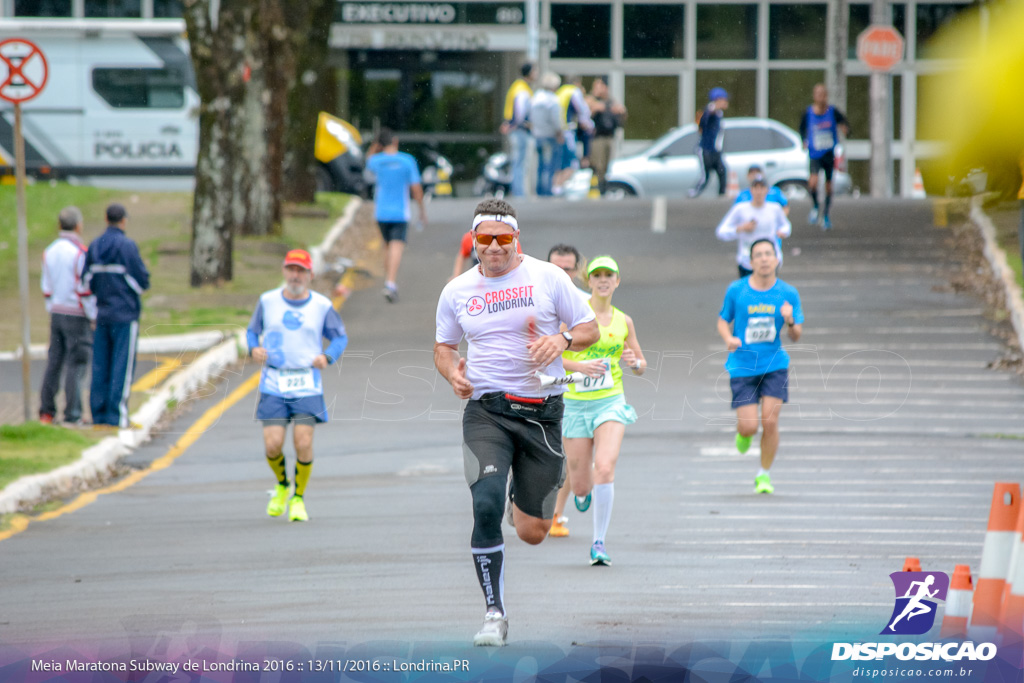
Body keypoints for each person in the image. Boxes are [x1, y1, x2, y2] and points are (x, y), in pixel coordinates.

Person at [434, 199, 599, 646]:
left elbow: (589, 328)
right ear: (474, 242)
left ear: (516, 239)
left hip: (543, 414)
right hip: (487, 410)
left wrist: (561, 338)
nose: (493, 247)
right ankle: (494, 612)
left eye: (502, 239)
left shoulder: (548, 276)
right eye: (484, 239)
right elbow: (444, 347)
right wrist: (453, 373)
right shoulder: (457, 291)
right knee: (484, 504)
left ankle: (522, 496)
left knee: (532, 532)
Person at [247, 249, 348, 522]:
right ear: (284, 271)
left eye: (301, 270)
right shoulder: (267, 301)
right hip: (273, 381)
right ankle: (282, 484)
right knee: (273, 445)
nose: (295, 275)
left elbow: (339, 338)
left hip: (306, 382)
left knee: (303, 443)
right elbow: (251, 331)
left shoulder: (321, 306)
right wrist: (253, 348)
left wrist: (327, 356)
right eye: (291, 269)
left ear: (310, 275)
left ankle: (298, 498)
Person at [561, 256, 646, 566]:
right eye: (597, 274)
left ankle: (599, 542)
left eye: (609, 274)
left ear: (617, 281)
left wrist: (636, 364)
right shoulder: (574, 318)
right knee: (581, 485)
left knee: (605, 467)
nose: (603, 279)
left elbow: (639, 362)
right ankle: (582, 496)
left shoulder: (625, 321)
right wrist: (580, 365)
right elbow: (552, 356)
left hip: (610, 400)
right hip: (575, 404)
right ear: (590, 281)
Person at [716, 238, 803, 495]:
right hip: (742, 365)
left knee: (771, 420)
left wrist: (789, 321)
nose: (764, 259)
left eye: (768, 254)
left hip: (774, 364)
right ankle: (743, 434)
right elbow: (722, 320)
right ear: (750, 261)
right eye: (759, 255)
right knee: (750, 426)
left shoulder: (788, 293)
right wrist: (729, 338)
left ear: (777, 259)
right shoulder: (737, 290)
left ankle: (763, 475)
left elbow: (796, 335)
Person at [83, 203, 150, 430]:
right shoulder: (127, 246)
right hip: (124, 315)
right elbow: (141, 281)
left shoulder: (94, 246)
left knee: (100, 364)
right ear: (123, 221)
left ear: (105, 218)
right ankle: (117, 417)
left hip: (102, 314)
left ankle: (98, 414)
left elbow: (86, 281)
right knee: (121, 365)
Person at [545, 243, 588, 537]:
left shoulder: (588, 303)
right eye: (555, 267)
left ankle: (556, 515)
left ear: (578, 270)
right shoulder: (534, 299)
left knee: (570, 459)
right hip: (545, 387)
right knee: (543, 455)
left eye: (567, 269)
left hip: (584, 391)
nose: (561, 273)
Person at [39, 206, 95, 425]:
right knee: (77, 362)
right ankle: (73, 413)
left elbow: (46, 286)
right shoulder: (80, 253)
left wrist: (52, 306)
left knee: (54, 360)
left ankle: (46, 410)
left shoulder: (49, 251)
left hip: (56, 311)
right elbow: (84, 289)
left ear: (59, 225)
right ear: (79, 225)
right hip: (76, 313)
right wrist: (92, 315)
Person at [365, 128, 427, 303]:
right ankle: (390, 283)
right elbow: (416, 188)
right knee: (397, 246)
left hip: (381, 212)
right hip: (400, 212)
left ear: (379, 144)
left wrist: (374, 146)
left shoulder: (376, 161)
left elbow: (367, 162)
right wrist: (422, 210)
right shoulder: (407, 161)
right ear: (395, 141)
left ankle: (388, 280)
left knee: (387, 246)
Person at [715, 174, 792, 278]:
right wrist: (740, 228)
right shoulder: (740, 209)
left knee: (768, 290)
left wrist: (783, 232)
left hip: (770, 259)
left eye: (762, 188)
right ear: (751, 190)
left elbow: (786, 226)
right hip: (747, 260)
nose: (759, 191)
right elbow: (721, 231)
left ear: (767, 190)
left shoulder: (775, 208)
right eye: (756, 188)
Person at [799, 83, 850, 230]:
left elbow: (845, 124)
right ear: (814, 96)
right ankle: (815, 206)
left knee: (828, 186)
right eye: (817, 94)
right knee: (813, 182)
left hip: (828, 154)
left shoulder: (833, 112)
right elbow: (802, 128)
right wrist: (804, 140)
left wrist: (845, 129)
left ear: (826, 96)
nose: (820, 97)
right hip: (815, 154)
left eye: (823, 94)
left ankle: (826, 215)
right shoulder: (808, 112)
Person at [586, 77, 627, 195]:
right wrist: (607, 107)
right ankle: (595, 189)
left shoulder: (610, 100)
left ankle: (603, 188)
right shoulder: (592, 99)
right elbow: (593, 107)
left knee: (606, 166)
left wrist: (620, 111)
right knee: (597, 165)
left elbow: (621, 111)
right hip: (597, 137)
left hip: (609, 136)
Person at [554, 75, 593, 194]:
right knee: (571, 162)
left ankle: (556, 186)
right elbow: (582, 111)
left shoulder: (560, 91)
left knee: (560, 162)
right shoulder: (574, 91)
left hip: (558, 132)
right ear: (577, 83)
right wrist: (589, 126)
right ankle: (559, 188)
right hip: (568, 131)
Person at [501, 63, 536, 197]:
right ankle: (519, 193)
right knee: (520, 162)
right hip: (520, 130)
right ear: (530, 72)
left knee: (518, 161)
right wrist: (518, 123)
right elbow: (520, 109)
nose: (536, 73)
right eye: (535, 71)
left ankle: (518, 191)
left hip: (516, 129)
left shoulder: (517, 86)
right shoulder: (522, 88)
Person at [690, 87, 729, 197]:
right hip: (706, 149)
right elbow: (702, 122)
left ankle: (722, 196)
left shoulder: (719, 113)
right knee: (705, 176)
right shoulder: (709, 111)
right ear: (718, 100)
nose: (726, 102)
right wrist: (712, 109)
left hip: (715, 151)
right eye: (724, 99)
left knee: (722, 172)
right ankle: (693, 194)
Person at [529, 72, 564, 197]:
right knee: (549, 165)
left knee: (540, 165)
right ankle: (547, 191)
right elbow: (556, 120)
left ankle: (539, 190)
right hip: (549, 136)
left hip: (537, 135)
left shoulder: (536, 97)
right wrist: (559, 132)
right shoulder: (552, 100)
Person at [452, 229, 522, 281]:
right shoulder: (468, 239)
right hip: (479, 277)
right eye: (485, 239)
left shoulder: (508, 240)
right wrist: (456, 276)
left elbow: (519, 258)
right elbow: (462, 255)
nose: (493, 247)